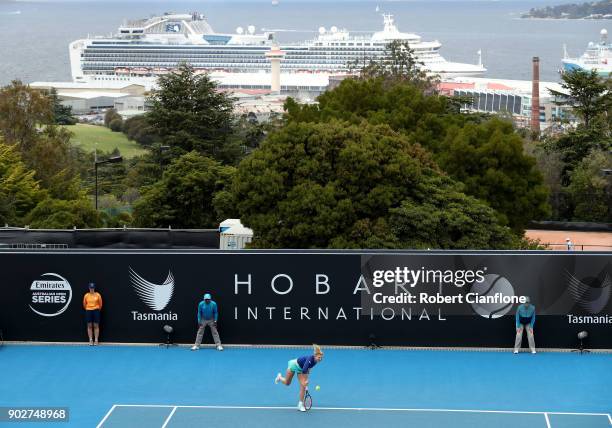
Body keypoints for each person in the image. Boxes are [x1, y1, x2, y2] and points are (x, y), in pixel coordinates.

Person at [274, 344, 324, 412]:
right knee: (287, 383)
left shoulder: (315, 361)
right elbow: (304, 370)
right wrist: (305, 381)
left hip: (301, 369)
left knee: (303, 386)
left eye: (321, 358)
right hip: (294, 365)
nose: (320, 359)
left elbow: (308, 369)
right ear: (315, 356)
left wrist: (306, 381)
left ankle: (300, 405)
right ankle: (279, 377)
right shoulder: (310, 359)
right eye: (319, 357)